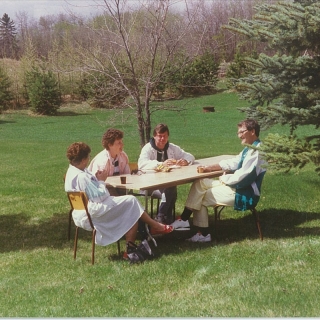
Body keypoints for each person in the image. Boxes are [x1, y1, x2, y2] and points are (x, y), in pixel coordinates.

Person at [64, 142, 173, 262]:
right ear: (84, 159)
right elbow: (100, 197)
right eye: (88, 157)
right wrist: (101, 181)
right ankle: (150, 229)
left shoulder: (72, 172)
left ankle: (145, 234)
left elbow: (95, 194)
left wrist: (97, 182)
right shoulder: (81, 177)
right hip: (93, 215)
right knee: (131, 202)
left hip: (82, 213)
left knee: (130, 205)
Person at [171, 119, 267, 242]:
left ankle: (203, 234)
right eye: (238, 133)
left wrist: (223, 178)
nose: (239, 136)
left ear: (252, 131)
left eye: (241, 132)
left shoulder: (257, 152)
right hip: (235, 186)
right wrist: (209, 168)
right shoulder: (249, 149)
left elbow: (244, 177)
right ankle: (184, 220)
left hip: (244, 193)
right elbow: (234, 162)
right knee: (200, 182)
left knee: (200, 197)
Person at [138, 123, 195, 224]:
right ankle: (163, 218)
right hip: (149, 185)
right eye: (160, 136)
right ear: (154, 136)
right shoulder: (147, 149)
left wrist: (185, 161)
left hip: (166, 185)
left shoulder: (171, 148)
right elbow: (142, 164)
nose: (162, 139)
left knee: (171, 188)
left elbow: (190, 156)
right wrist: (161, 165)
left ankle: (163, 219)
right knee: (171, 190)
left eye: (165, 136)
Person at [88, 128, 130, 196]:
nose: (122, 145)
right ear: (110, 145)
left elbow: (127, 175)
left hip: (119, 187)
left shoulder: (123, 156)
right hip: (104, 190)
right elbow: (98, 182)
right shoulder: (102, 161)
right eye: (119, 143)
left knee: (129, 198)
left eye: (122, 142)